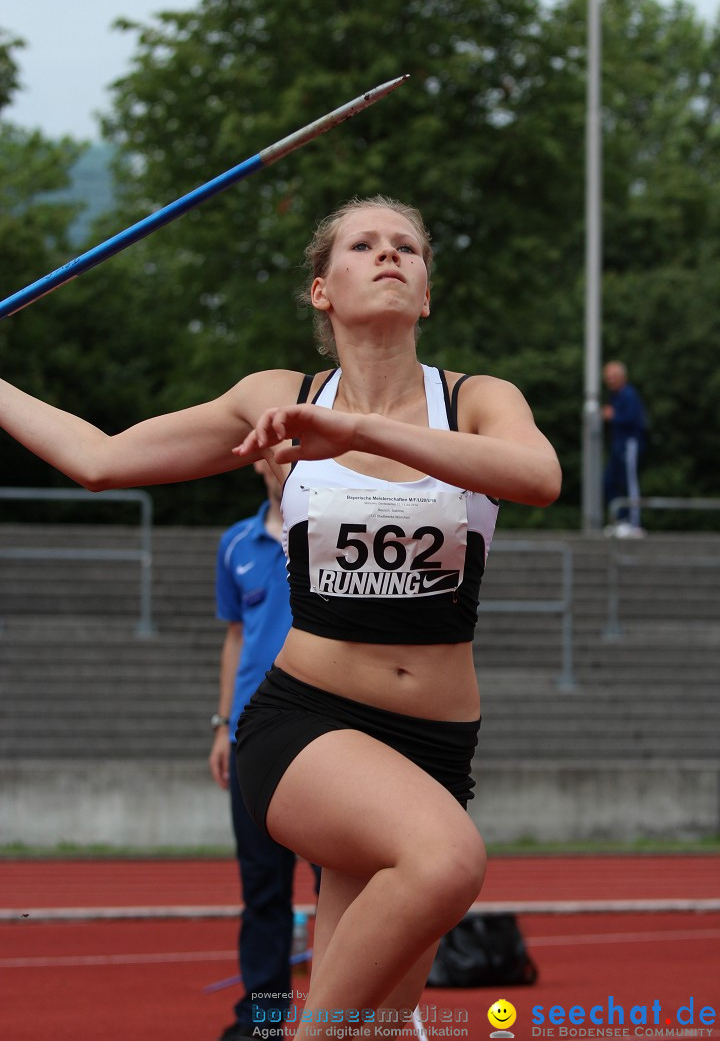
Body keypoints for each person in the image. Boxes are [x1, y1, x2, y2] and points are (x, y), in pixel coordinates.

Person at [0, 195, 561, 1040]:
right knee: (447, 863)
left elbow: (536, 476)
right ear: (320, 291)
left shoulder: (477, 400)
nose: (390, 255)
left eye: (408, 247)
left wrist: (358, 432)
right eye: (364, 245)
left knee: (374, 1027)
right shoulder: (277, 397)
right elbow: (101, 460)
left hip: (436, 747)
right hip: (307, 722)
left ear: (428, 294)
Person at [210, 460, 321, 1041]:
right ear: (257, 459)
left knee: (337, 890)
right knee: (263, 893)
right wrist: (222, 725)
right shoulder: (236, 543)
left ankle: (337, 1021)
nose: (287, 461)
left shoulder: (334, 530)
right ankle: (264, 1022)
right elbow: (235, 636)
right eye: (276, 450)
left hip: (327, 739)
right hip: (251, 741)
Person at [602, 360, 648, 538]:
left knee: (630, 482)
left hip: (629, 444)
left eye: (613, 376)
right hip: (618, 445)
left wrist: (613, 416)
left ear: (622, 377)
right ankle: (620, 520)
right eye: (608, 377)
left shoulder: (628, 394)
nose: (610, 380)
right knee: (610, 481)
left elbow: (634, 419)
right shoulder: (615, 395)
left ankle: (634, 523)